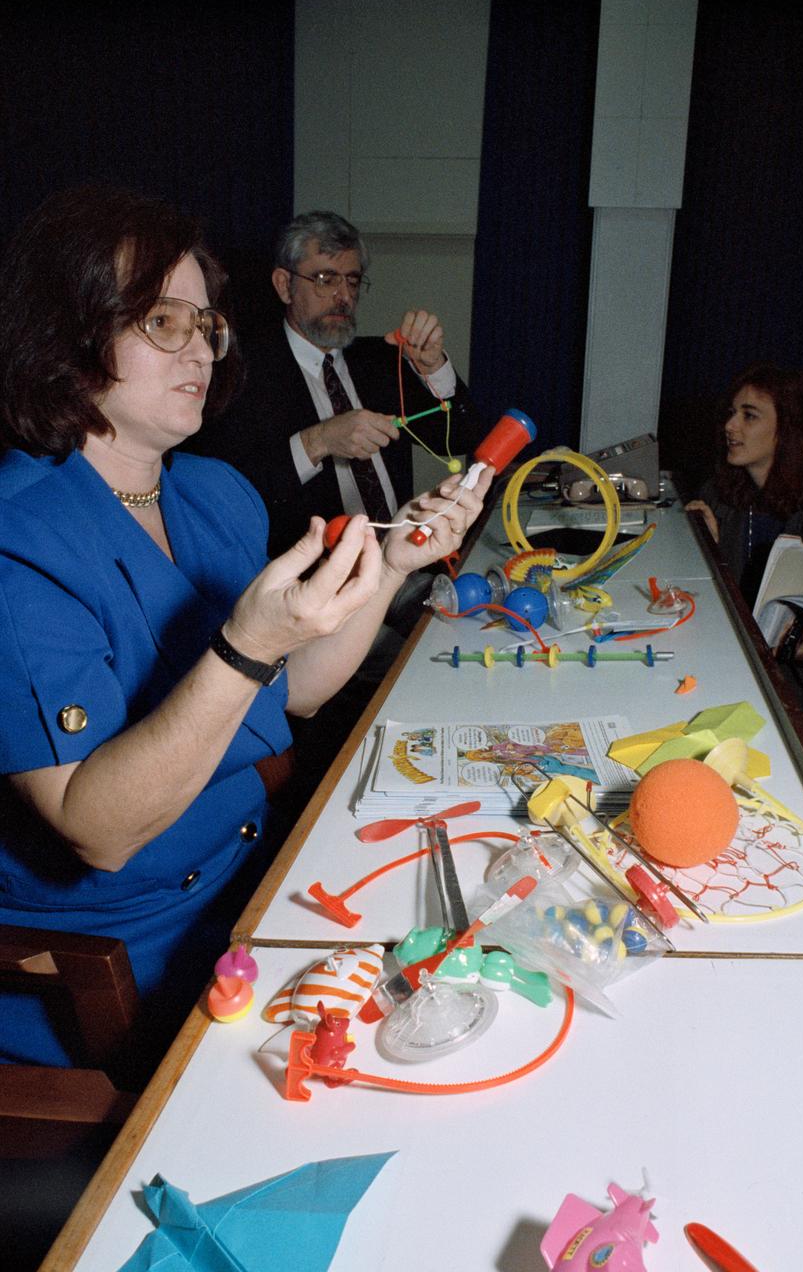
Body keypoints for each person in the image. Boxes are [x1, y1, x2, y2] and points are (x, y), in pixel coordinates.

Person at [0, 186, 492, 1075]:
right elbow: (97, 831)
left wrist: (391, 567)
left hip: (255, 883)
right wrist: (246, 647)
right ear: (69, 341)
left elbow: (294, 691)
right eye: (162, 321)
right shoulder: (18, 539)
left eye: (205, 323)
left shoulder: (210, 493)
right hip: (120, 960)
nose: (198, 347)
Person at [189, 209, 483, 560]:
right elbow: (223, 496)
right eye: (326, 279)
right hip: (309, 581)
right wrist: (318, 441)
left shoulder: (382, 360)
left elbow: (460, 438)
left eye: (353, 281)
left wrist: (434, 367)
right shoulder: (238, 370)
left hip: (402, 564)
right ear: (285, 285)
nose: (343, 296)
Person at [685, 363, 803, 765]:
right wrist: (704, 551)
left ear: (786, 428)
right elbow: (717, 607)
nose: (730, 427)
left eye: (749, 416)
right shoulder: (719, 495)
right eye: (732, 413)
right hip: (739, 667)